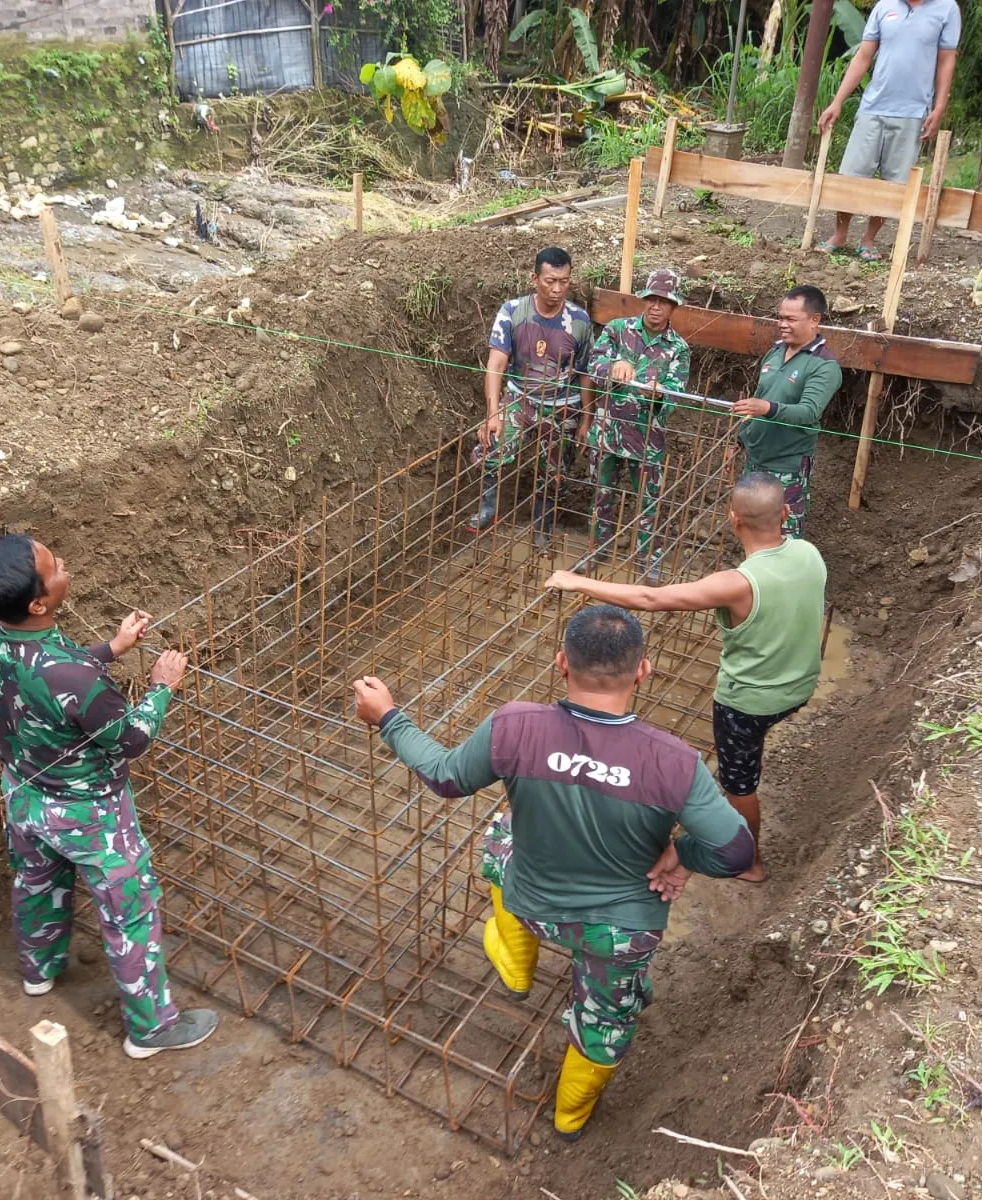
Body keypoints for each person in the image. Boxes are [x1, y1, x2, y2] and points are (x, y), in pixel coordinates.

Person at [352, 606, 752, 1142]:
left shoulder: (516, 725)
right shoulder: (673, 762)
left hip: (534, 905)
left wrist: (389, 717)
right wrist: (682, 856)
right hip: (618, 933)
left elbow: (447, 777)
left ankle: (516, 963)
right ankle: (569, 1117)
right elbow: (735, 852)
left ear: (562, 663)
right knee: (606, 1019)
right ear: (644, 671)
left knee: (501, 833)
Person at [0, 534, 219, 1058]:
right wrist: (161, 687)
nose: (63, 564)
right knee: (131, 911)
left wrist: (111, 649)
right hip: (91, 814)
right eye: (53, 566)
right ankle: (151, 1029)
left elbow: (43, 670)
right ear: (39, 603)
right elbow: (131, 739)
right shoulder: (78, 680)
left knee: (36, 881)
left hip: (23, 794)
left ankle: (39, 971)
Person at [544, 474, 826, 883]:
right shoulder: (808, 552)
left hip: (747, 704)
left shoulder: (738, 583)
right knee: (746, 759)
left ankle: (750, 863)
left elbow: (652, 599)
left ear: (734, 520)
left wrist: (576, 581)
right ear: (785, 513)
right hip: (800, 685)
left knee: (739, 784)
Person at [468, 246, 596, 554]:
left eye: (564, 281)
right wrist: (493, 413)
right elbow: (496, 364)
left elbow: (586, 374)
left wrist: (586, 420)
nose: (556, 289)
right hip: (521, 399)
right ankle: (489, 508)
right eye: (550, 280)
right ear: (534, 278)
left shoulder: (579, 321)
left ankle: (542, 528)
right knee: (491, 447)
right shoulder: (513, 312)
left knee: (553, 471)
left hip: (562, 406)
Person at [818, 0, 962, 259]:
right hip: (873, 106)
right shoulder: (884, 6)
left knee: (895, 183)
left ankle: (869, 240)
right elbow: (863, 56)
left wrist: (939, 107)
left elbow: (946, 61)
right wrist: (837, 101)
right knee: (851, 175)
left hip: (913, 112)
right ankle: (840, 235)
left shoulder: (947, 9)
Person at [581, 267, 691, 584]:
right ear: (644, 300)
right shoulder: (618, 329)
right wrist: (614, 364)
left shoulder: (678, 350)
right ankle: (596, 550)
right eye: (652, 300)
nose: (656, 307)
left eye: (664, 302)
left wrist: (658, 395)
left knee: (649, 500)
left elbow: (674, 396)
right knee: (601, 494)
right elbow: (594, 364)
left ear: (673, 306)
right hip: (608, 432)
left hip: (646, 439)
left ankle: (648, 560)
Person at [728, 285, 842, 540]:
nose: (783, 324)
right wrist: (737, 440)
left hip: (786, 465)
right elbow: (760, 397)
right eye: (780, 317)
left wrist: (767, 409)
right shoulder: (777, 351)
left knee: (783, 534)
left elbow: (808, 411)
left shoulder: (824, 366)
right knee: (751, 527)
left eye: (791, 319)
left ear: (815, 320)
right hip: (755, 461)